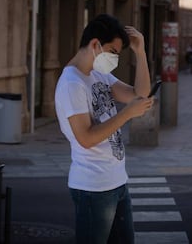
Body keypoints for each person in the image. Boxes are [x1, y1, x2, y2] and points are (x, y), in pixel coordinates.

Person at [54, 14, 154, 243]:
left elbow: (139, 94)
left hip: (117, 181)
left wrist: (141, 53)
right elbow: (85, 138)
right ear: (95, 44)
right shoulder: (71, 84)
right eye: (113, 52)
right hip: (93, 187)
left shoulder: (98, 74)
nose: (115, 59)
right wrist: (128, 113)